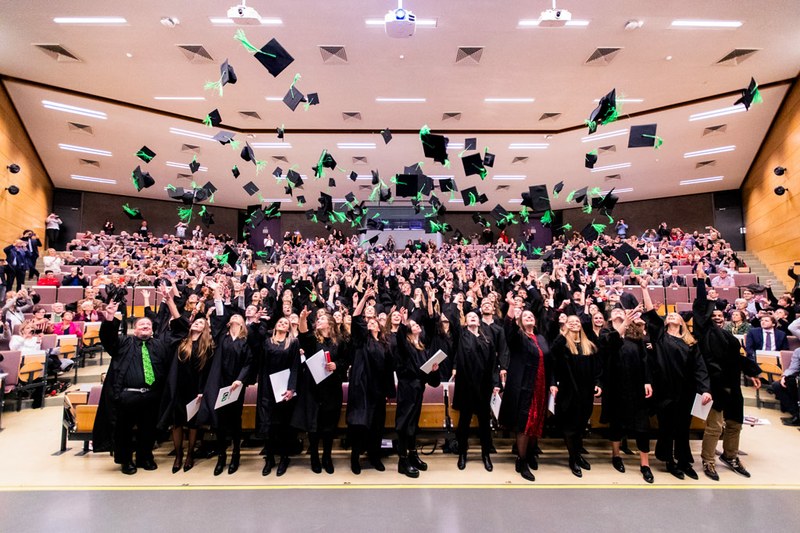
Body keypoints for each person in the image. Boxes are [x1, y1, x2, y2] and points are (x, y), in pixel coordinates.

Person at [693, 266, 762, 481]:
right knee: (714, 427)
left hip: (733, 384)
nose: (717, 317)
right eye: (713, 315)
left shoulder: (728, 336)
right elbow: (701, 309)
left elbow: (737, 358)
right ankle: (708, 460)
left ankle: (730, 456)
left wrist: (753, 372)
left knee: (735, 424)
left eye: (720, 315)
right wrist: (702, 283)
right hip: (715, 385)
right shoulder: (704, 332)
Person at [641, 279, 711, 480]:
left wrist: (705, 389)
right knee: (667, 428)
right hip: (665, 391)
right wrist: (645, 289)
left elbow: (700, 368)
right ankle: (669, 461)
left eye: (675, 315)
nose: (671, 316)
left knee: (683, 428)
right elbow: (651, 314)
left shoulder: (690, 342)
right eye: (668, 315)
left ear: (681, 322)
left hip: (686, 391)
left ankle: (683, 461)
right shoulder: (661, 337)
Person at [92, 301, 172, 475]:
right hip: (127, 396)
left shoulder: (159, 345)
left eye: (148, 325)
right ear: (134, 329)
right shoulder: (123, 343)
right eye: (141, 324)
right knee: (124, 431)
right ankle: (126, 460)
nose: (145, 326)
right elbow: (108, 338)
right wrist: (110, 318)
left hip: (151, 396)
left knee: (148, 430)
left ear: (152, 330)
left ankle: (145, 457)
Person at [158, 289, 214, 473]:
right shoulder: (181, 339)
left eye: (201, 322)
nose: (197, 323)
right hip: (177, 387)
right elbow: (178, 318)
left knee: (192, 423)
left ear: (205, 328)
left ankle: (190, 453)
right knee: (177, 422)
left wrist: (202, 391)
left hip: (195, 388)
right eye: (195, 321)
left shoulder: (207, 347)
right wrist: (169, 301)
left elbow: (206, 371)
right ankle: (178, 455)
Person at [500, 296, 549, 482]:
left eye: (531, 316)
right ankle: (521, 460)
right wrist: (512, 307)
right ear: (521, 321)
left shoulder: (541, 338)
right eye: (525, 316)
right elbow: (508, 329)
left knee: (535, 422)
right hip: (523, 387)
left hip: (540, 387)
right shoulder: (518, 337)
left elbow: (548, 361)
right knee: (524, 423)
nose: (529, 317)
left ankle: (530, 453)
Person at [293, 307, 348, 474]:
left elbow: (346, 361)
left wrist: (336, 365)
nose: (318, 321)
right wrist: (302, 318)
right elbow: (303, 333)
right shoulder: (313, 341)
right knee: (314, 426)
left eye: (322, 319)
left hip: (332, 388)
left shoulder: (340, 341)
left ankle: (327, 457)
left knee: (329, 426)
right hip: (313, 389)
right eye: (318, 320)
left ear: (330, 323)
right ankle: (314, 457)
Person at [201, 304, 253, 476]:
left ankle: (235, 455)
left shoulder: (245, 341)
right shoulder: (221, 338)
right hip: (220, 385)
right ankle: (221, 456)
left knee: (235, 420)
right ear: (229, 323)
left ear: (244, 324)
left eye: (239, 318)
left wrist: (240, 380)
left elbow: (248, 363)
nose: (236, 319)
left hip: (236, 386)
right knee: (220, 421)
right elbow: (218, 319)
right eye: (233, 318)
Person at [347, 288, 395, 474]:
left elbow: (388, 369)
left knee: (376, 425)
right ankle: (355, 457)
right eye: (369, 321)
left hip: (378, 389)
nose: (370, 323)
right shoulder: (361, 339)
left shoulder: (385, 343)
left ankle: (374, 456)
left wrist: (389, 392)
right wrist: (365, 298)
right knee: (360, 424)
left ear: (379, 325)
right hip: (361, 387)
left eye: (374, 321)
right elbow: (356, 316)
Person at [550, 314, 602, 478]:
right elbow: (552, 353)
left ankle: (578, 455)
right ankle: (573, 458)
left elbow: (598, 369)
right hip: (568, 391)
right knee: (570, 427)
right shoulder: (563, 344)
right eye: (570, 321)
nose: (574, 323)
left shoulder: (589, 346)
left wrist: (598, 384)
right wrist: (564, 331)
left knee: (580, 427)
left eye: (576, 321)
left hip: (585, 392)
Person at [450, 307, 499, 472]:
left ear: (479, 322)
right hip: (466, 386)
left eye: (474, 316)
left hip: (484, 387)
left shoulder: (487, 338)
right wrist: (459, 304)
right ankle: (462, 454)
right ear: (465, 321)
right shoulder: (461, 336)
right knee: (464, 423)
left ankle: (486, 455)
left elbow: (493, 364)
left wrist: (495, 383)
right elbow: (452, 319)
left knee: (485, 424)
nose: (472, 318)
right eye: (469, 316)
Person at [394, 307, 440, 478]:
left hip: (418, 389)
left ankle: (413, 455)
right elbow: (399, 337)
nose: (417, 325)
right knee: (404, 425)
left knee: (413, 425)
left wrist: (434, 369)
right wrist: (404, 321)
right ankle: (402, 460)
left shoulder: (423, 348)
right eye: (413, 325)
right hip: (407, 389)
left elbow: (432, 381)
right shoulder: (404, 346)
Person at [768, 347, 800, 426]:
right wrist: (784, 376)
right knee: (777, 385)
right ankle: (796, 414)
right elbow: (793, 368)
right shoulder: (798, 351)